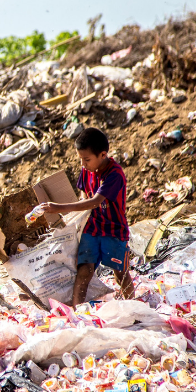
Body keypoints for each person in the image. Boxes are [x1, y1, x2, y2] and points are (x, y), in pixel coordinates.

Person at [28, 127, 133, 306]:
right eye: (80, 159)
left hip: (114, 230)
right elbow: (84, 196)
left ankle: (133, 305)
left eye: (87, 159)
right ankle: (77, 312)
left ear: (103, 155)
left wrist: (58, 208)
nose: (83, 164)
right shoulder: (87, 170)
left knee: (120, 272)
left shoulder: (115, 175)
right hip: (92, 227)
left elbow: (94, 202)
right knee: (84, 270)